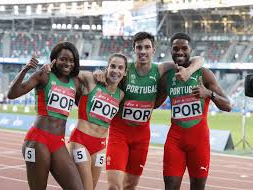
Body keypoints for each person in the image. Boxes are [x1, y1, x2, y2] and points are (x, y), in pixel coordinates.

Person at [94, 31, 204, 190]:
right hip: (119, 134)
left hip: (142, 137)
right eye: (139, 47)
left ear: (153, 50)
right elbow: (108, 75)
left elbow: (199, 59)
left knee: (130, 186)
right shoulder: (125, 70)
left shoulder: (160, 69)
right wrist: (99, 73)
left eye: (147, 47)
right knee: (114, 187)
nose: (143, 51)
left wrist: (188, 71)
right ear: (134, 50)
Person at [156, 32, 232, 190]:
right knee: (170, 186)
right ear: (171, 50)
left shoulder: (203, 73)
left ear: (191, 49)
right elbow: (154, 103)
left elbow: (228, 105)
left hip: (199, 141)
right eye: (175, 48)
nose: (180, 51)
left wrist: (209, 94)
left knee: (197, 187)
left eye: (184, 48)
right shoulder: (167, 78)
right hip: (175, 141)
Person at [7, 42, 84, 190]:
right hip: (38, 140)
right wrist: (26, 69)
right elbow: (12, 94)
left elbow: (86, 105)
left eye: (71, 60)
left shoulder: (75, 83)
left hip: (58, 142)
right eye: (63, 59)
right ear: (54, 59)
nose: (67, 63)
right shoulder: (44, 75)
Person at [68, 53, 127, 190]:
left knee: (90, 187)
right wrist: (95, 71)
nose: (116, 71)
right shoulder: (91, 80)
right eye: (112, 66)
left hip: (100, 146)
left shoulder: (121, 95)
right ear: (107, 67)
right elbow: (73, 71)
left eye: (120, 68)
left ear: (124, 73)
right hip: (80, 140)